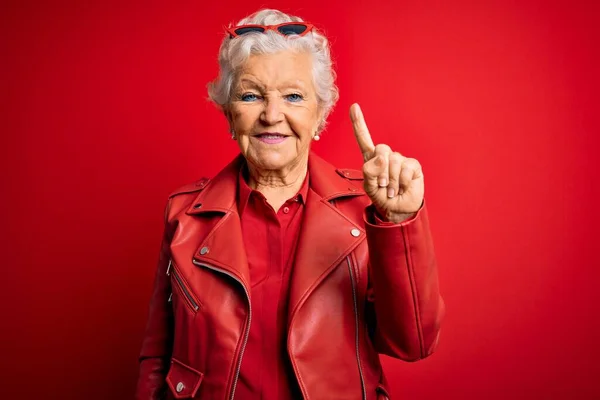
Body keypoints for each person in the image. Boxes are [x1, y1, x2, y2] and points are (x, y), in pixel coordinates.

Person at [136, 8, 444, 400]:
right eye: (251, 95)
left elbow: (413, 343)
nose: (272, 114)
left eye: (294, 96)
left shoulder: (368, 210)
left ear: (320, 114)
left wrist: (398, 222)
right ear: (230, 113)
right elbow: (157, 356)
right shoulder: (183, 216)